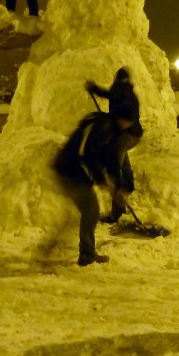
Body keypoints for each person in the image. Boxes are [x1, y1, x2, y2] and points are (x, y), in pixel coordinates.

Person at [53, 111, 128, 266]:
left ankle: (53, 245)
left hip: (77, 172)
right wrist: (100, 179)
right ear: (122, 119)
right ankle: (86, 255)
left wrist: (117, 187)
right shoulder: (102, 128)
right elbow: (85, 155)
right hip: (70, 171)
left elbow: (112, 160)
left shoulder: (112, 131)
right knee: (91, 210)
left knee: (87, 211)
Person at [85, 67, 143, 224]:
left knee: (114, 160)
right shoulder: (123, 91)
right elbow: (109, 95)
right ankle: (128, 185)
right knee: (120, 156)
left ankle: (118, 210)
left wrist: (122, 122)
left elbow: (129, 113)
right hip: (130, 133)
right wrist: (95, 89)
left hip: (129, 134)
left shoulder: (123, 93)